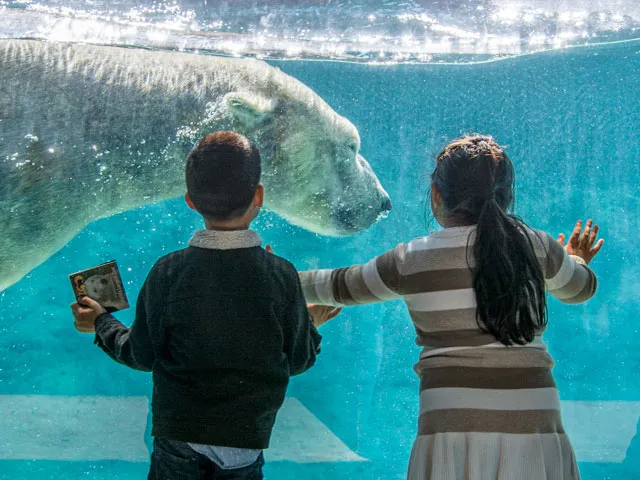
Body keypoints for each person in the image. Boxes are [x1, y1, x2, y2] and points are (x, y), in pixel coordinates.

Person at [298, 134, 603, 480]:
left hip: (448, 432)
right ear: (505, 197)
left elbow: (336, 285)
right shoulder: (537, 247)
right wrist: (577, 258)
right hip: (534, 427)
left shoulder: (411, 260)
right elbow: (581, 289)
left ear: (436, 195)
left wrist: (277, 275)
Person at [71, 131, 341, 480]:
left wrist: (101, 323)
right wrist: (310, 325)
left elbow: (139, 355)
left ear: (190, 201)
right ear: (259, 196)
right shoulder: (281, 276)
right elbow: (298, 359)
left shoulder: (168, 271)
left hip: (178, 441)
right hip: (245, 444)